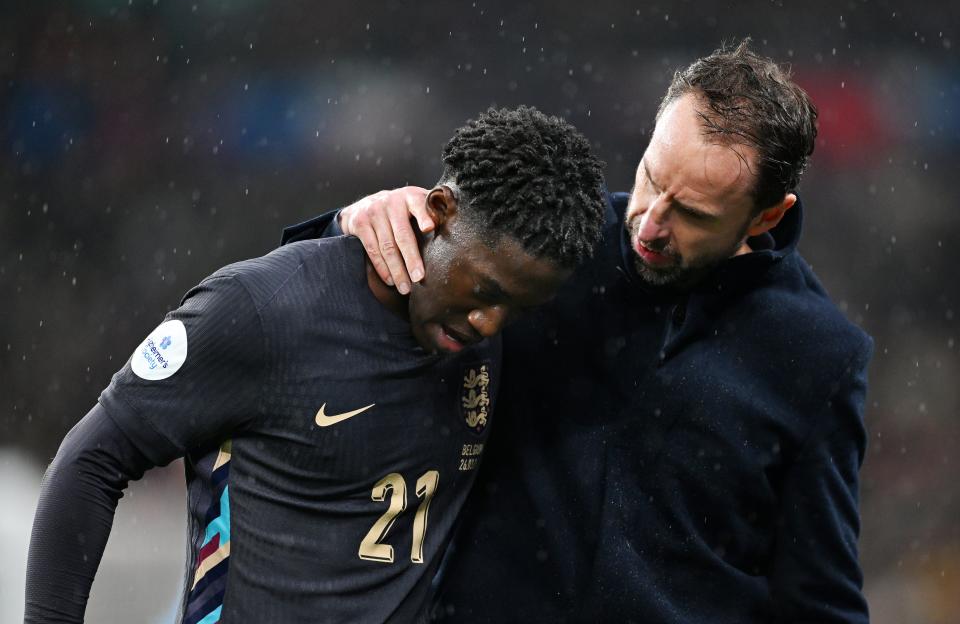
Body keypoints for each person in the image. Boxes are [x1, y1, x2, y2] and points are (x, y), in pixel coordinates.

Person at [283, 41, 873, 622]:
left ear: (768, 215)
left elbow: (818, 596)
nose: (650, 223)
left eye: (693, 214)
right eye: (650, 177)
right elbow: (321, 306)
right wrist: (349, 226)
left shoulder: (817, 356)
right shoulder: (548, 249)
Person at [24, 106, 607, 624]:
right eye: (483, 290)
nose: (489, 323)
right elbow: (90, 463)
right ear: (439, 210)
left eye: (516, 308)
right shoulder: (262, 310)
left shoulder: (483, 339)